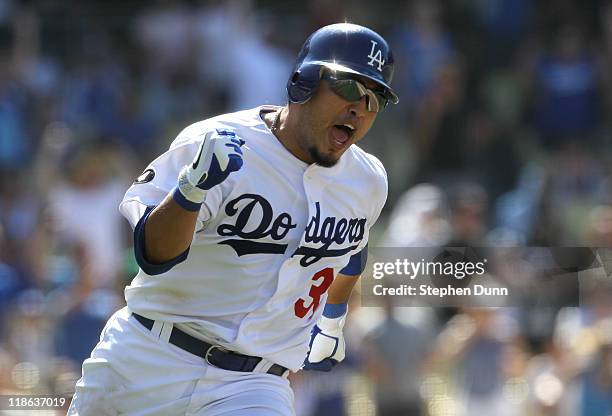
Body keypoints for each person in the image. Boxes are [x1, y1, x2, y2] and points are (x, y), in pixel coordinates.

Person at [68, 22, 399, 416]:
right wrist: (190, 190)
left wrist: (332, 319)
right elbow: (152, 255)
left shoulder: (367, 181)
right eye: (348, 87)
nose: (359, 108)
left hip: (254, 385)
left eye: (375, 98)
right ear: (303, 83)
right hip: (148, 359)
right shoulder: (218, 140)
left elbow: (351, 255)